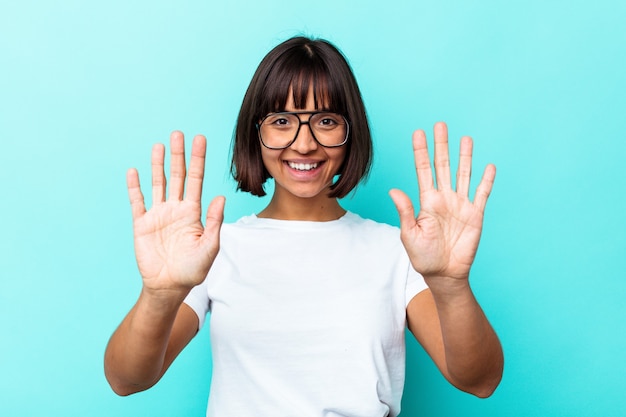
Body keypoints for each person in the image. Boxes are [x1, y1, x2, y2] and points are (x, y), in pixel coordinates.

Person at [104, 36, 503, 416]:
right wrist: (159, 294)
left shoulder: (399, 249)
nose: (304, 144)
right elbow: (127, 380)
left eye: (326, 120)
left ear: (351, 133)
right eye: (282, 120)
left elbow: (480, 381)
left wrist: (451, 286)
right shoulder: (211, 248)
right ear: (255, 133)